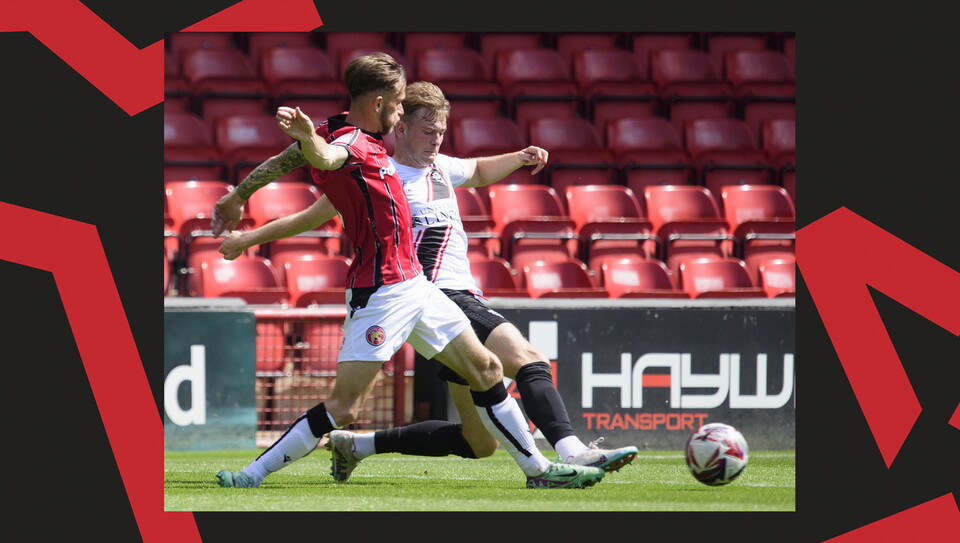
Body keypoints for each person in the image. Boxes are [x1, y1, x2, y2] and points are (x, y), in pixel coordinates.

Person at [211, 52, 604, 490]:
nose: (401, 112)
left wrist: (239, 195)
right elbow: (325, 158)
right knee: (343, 408)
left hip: (418, 285)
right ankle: (251, 475)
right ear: (379, 103)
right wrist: (310, 146)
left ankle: (541, 472)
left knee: (489, 370)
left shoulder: (352, 135)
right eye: (398, 103)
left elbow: (292, 158)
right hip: (381, 291)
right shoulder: (350, 144)